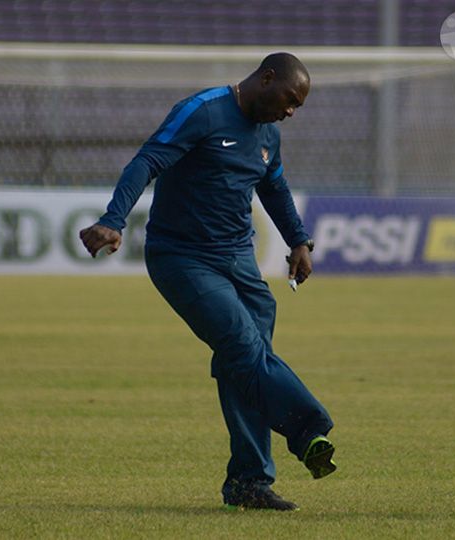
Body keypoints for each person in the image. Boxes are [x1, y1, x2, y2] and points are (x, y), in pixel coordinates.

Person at [79, 53, 335, 511]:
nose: (291, 111)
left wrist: (298, 241)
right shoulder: (203, 110)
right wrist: (113, 219)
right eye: (290, 99)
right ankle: (307, 428)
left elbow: (273, 187)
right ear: (266, 78)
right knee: (243, 345)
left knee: (246, 362)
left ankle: (248, 483)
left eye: (298, 106)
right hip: (182, 258)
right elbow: (147, 161)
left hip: (239, 259)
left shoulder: (268, 135)